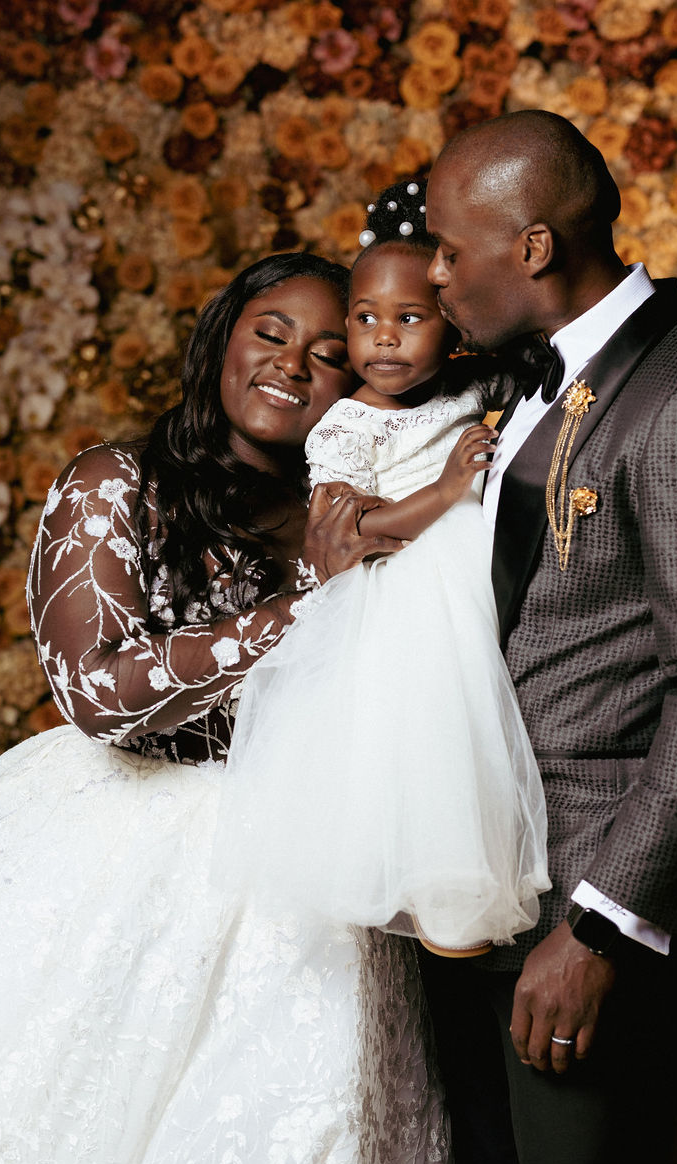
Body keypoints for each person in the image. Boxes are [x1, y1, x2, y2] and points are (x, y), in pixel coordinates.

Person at [0, 252, 460, 1164]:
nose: (293, 364)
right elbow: (99, 692)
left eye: (330, 353)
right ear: (223, 339)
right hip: (116, 851)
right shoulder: (114, 482)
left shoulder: (345, 513)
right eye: (271, 333)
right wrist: (314, 602)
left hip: (299, 871)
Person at [416, 109, 677, 1164]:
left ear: (534, 248)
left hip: (586, 910)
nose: (435, 274)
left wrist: (601, 924)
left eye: (453, 248)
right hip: (485, 887)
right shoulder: (512, 381)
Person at [213, 182, 550, 956]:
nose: (384, 341)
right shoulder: (346, 423)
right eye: (364, 323)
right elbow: (354, 525)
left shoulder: (468, 384)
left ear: (448, 326)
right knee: (418, 731)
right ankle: (430, 889)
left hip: (473, 581)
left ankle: (460, 890)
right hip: (405, 593)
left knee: (472, 742)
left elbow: (527, 370)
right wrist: (443, 491)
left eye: (409, 320)